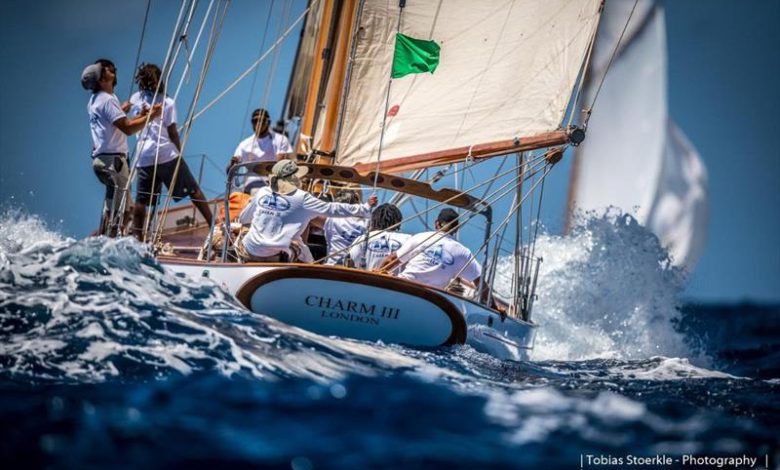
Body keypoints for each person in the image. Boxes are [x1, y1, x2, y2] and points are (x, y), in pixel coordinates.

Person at [126, 63, 213, 240]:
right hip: (166, 154)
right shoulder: (167, 102)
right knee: (193, 190)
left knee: (142, 200)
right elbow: (172, 132)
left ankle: (137, 237)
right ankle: (214, 225)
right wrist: (178, 152)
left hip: (143, 158)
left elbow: (133, 122)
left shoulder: (135, 99)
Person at [237, 160, 377, 262]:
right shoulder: (302, 198)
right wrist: (363, 208)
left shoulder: (262, 192)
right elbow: (331, 209)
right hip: (275, 256)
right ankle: (311, 271)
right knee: (302, 250)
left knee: (245, 232)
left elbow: (243, 219)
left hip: (250, 251)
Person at [82, 58, 162, 236]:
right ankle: (107, 245)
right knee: (118, 213)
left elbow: (114, 126)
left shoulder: (95, 100)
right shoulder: (107, 100)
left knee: (122, 209)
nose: (113, 70)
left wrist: (137, 115)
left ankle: (103, 240)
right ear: (102, 80)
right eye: (108, 70)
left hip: (102, 161)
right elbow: (127, 129)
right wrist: (153, 116)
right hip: (114, 162)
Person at [382, 208, 481, 290]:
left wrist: (376, 273)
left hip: (402, 286)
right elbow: (480, 282)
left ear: (436, 223)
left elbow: (391, 260)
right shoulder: (463, 252)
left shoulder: (421, 237)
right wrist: (494, 307)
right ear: (457, 229)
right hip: (432, 296)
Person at [229, 108, 292, 193]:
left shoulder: (280, 140)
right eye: (255, 121)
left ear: (268, 122)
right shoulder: (244, 145)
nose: (258, 123)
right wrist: (232, 164)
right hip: (252, 185)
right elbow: (231, 168)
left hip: (275, 183)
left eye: (261, 120)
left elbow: (281, 162)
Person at [348, 203, 410, 271]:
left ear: (374, 220)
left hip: (367, 280)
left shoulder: (362, 239)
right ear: (398, 221)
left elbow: (349, 264)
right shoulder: (408, 239)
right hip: (397, 281)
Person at [323, 189, 368, 265]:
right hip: (356, 269)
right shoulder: (367, 223)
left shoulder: (332, 219)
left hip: (332, 265)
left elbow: (309, 217)